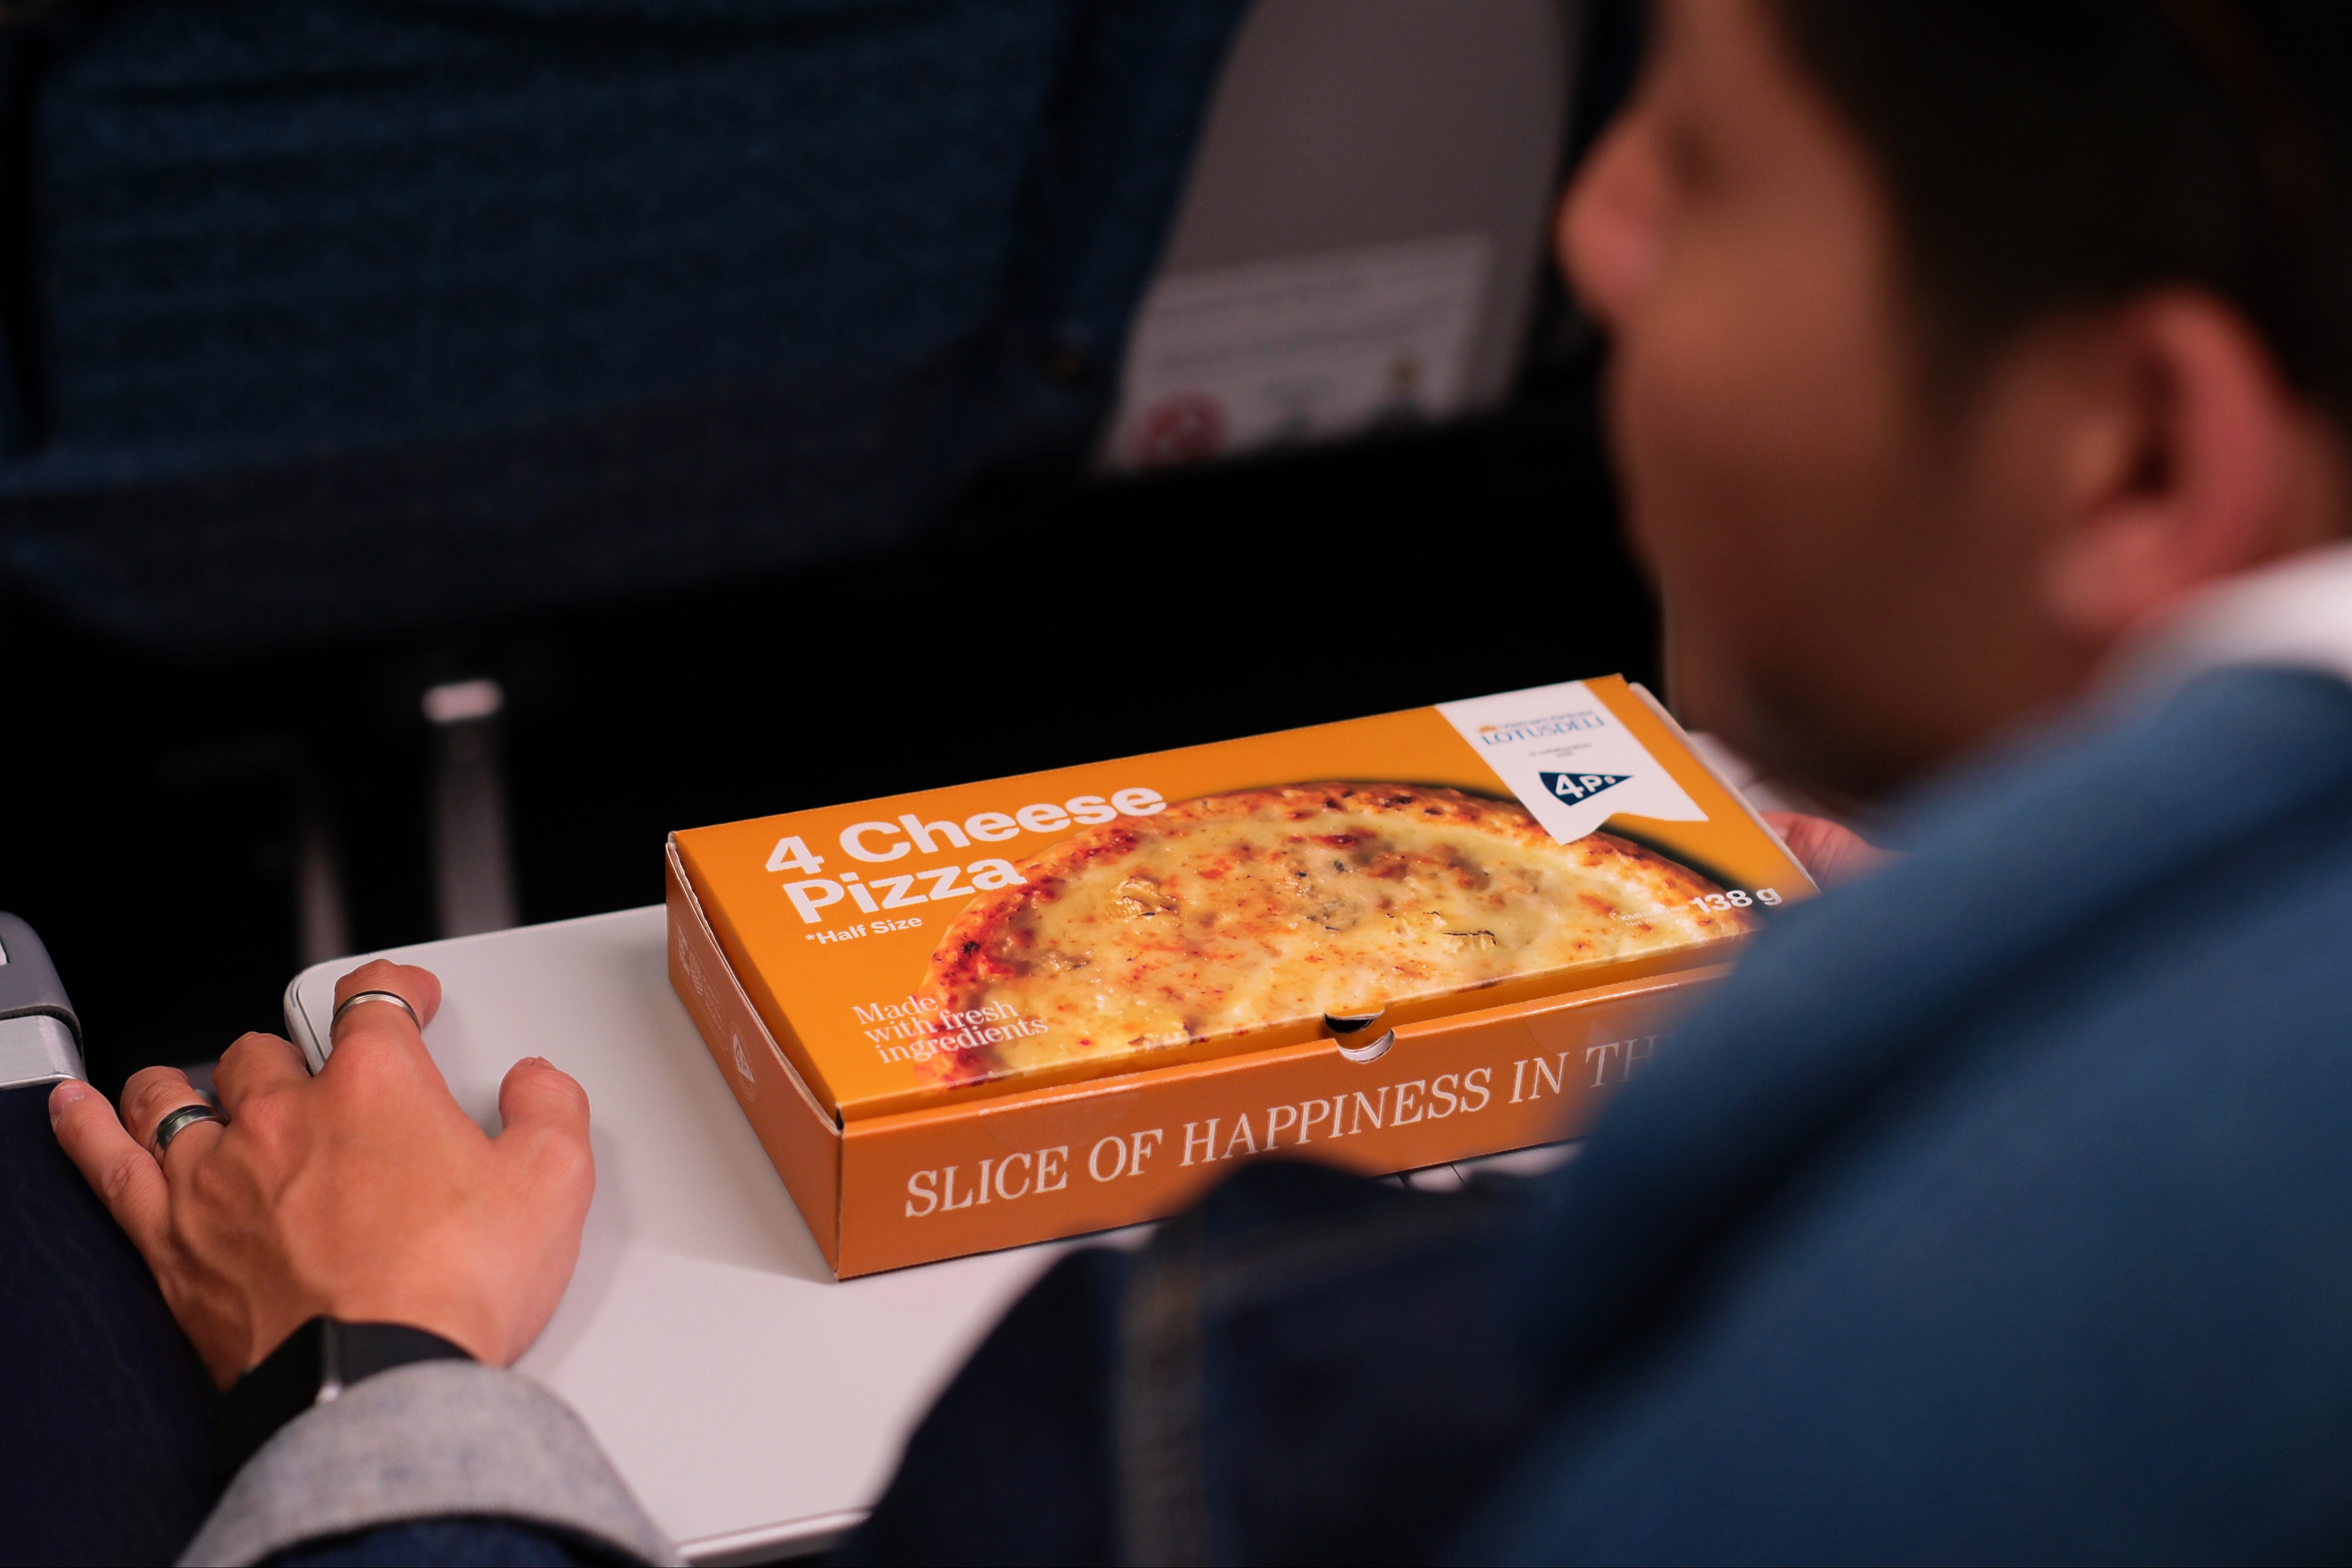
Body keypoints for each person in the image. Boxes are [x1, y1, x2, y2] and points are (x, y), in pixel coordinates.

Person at [33, 0, 2352, 1558]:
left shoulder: (1270, 1418)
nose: (1595, 226)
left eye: (1713, 167)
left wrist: (382, 1381)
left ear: (2139, 448)